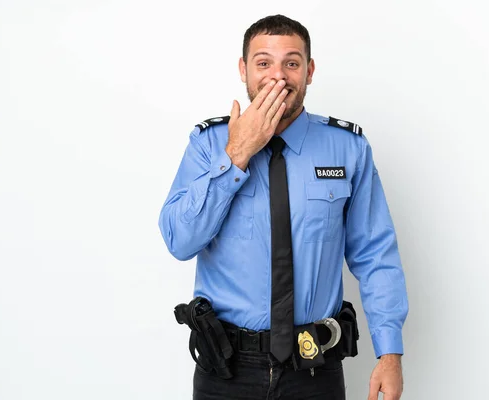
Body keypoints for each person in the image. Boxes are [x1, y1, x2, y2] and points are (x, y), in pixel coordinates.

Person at [158, 14, 409, 400]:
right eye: (263, 63)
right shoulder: (209, 145)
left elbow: (376, 255)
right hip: (225, 371)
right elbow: (180, 240)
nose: (278, 76)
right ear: (244, 70)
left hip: (314, 370)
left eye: (291, 63)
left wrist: (389, 354)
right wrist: (238, 153)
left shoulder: (347, 148)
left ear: (309, 71)